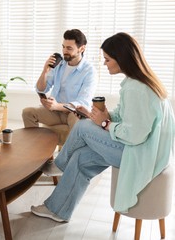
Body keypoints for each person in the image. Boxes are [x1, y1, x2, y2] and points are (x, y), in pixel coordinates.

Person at [30, 32, 175, 222]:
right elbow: (128, 117)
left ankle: (58, 165)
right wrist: (99, 115)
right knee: (81, 157)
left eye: (107, 59)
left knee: (82, 127)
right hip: (144, 150)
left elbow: (135, 135)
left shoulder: (136, 89)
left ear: (121, 59)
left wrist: (104, 123)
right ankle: (57, 210)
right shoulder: (138, 83)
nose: (105, 63)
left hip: (141, 154)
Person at [21, 29, 96, 139]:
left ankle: (69, 155)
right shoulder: (60, 64)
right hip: (55, 111)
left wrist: (57, 105)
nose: (64, 51)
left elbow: (82, 103)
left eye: (69, 48)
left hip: (73, 113)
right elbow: (42, 89)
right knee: (28, 112)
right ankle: (38, 152)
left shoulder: (89, 71)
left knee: (76, 122)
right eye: (63, 47)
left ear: (82, 48)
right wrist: (44, 71)